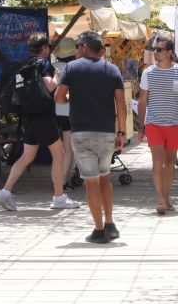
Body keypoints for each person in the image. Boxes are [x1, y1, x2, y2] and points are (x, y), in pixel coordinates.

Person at [0, 33, 80, 211]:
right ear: (45, 48)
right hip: (43, 115)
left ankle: (5, 192)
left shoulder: (24, 65)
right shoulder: (42, 64)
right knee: (59, 154)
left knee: (27, 156)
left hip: (27, 116)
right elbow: (50, 86)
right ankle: (59, 197)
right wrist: (57, 76)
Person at [54, 31, 126, 244]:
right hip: (106, 132)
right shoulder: (112, 69)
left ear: (85, 47)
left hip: (82, 132)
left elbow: (59, 99)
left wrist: (71, 95)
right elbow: (120, 103)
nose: (76, 50)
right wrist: (121, 132)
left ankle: (98, 230)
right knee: (105, 177)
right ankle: (110, 223)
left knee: (91, 182)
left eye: (77, 46)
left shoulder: (72, 69)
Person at [137, 33, 178, 215]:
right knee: (157, 161)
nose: (155, 52)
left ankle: (167, 197)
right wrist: (141, 126)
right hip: (154, 123)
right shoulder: (148, 73)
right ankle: (161, 200)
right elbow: (142, 100)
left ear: (169, 52)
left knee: (170, 163)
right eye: (154, 49)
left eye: (159, 50)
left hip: (174, 123)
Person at [51, 38, 77, 189]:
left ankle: (56, 179)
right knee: (68, 149)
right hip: (68, 112)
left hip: (51, 112)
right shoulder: (73, 68)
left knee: (56, 150)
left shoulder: (51, 67)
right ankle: (63, 180)